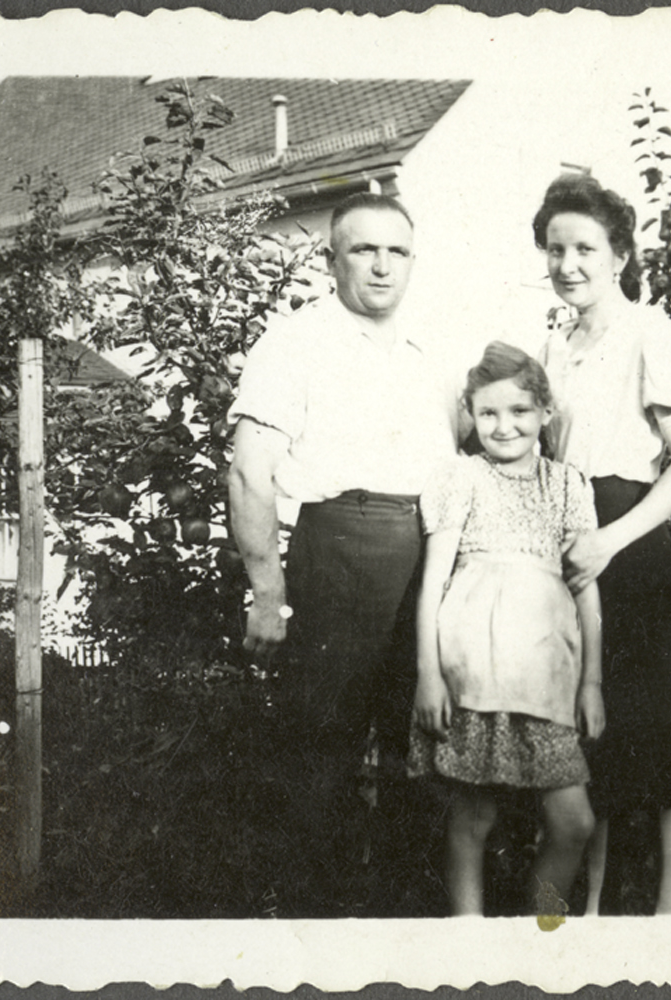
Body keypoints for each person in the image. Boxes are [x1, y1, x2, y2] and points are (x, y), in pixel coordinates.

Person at [227, 192, 460, 896]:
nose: (382, 266)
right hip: (339, 550)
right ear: (332, 261)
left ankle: (405, 920)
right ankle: (316, 924)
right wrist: (268, 594)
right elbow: (250, 471)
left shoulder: (436, 348)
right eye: (364, 250)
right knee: (322, 751)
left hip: (429, 556)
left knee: (422, 746)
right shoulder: (295, 343)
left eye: (397, 251)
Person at [531, 173, 671, 916]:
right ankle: (593, 913)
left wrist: (611, 540)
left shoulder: (653, 334)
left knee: (661, 734)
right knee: (589, 740)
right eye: (555, 249)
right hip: (567, 546)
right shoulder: (553, 344)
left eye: (585, 249)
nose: (568, 264)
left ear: (620, 255)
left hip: (630, 539)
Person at [407, 341, 604, 917]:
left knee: (573, 823)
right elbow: (433, 583)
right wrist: (428, 676)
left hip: (545, 678)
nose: (503, 426)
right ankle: (469, 939)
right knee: (473, 816)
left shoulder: (566, 485)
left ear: (545, 412)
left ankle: (539, 929)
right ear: (470, 415)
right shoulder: (461, 478)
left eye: (519, 411)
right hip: (472, 674)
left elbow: (586, 588)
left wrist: (592, 682)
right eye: (488, 412)